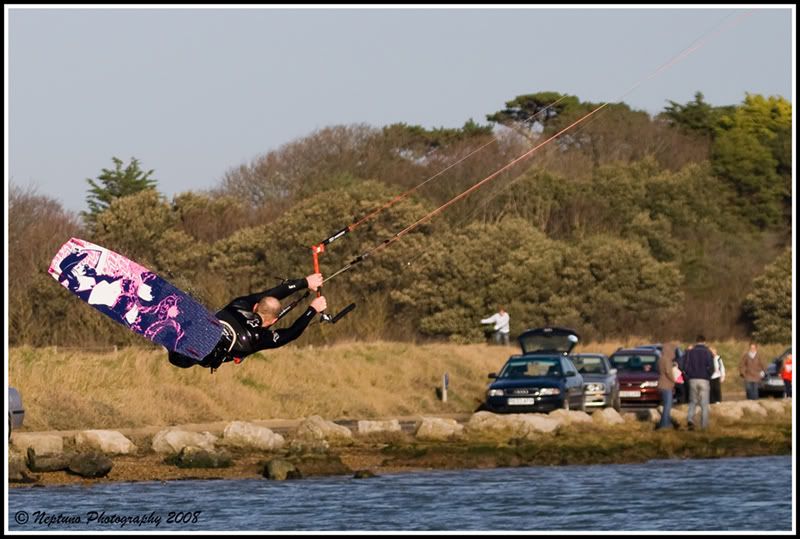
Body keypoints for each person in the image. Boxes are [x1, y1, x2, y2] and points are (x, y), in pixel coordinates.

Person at [168, 273, 326, 371]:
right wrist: (312, 309)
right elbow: (292, 333)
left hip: (195, 335)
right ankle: (178, 337)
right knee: (183, 357)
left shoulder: (240, 304)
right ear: (275, 320)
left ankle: (180, 321)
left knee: (205, 317)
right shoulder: (260, 339)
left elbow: (272, 293)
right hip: (188, 359)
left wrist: (305, 282)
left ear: (256, 306)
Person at [683, 335, 714, 430]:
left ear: (696, 342)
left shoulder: (690, 352)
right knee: (704, 404)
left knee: (693, 401)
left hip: (692, 379)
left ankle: (690, 419)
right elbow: (711, 367)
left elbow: (685, 366)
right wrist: (708, 376)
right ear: (704, 341)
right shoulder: (708, 352)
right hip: (704, 379)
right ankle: (704, 426)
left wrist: (688, 376)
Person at [656, 341, 679, 430]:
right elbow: (668, 372)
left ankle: (667, 423)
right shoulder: (667, 360)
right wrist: (674, 380)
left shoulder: (660, 359)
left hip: (661, 384)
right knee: (667, 406)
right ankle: (664, 425)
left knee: (666, 405)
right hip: (666, 385)